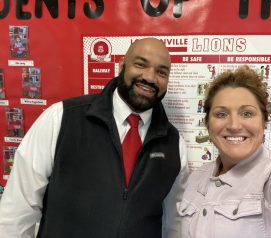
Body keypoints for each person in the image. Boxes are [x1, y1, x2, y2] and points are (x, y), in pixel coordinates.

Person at [0, 38, 189, 238]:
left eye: (162, 72)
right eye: (141, 64)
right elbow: (17, 212)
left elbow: (174, 223)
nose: (150, 77)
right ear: (122, 65)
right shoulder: (62, 119)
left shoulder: (174, 144)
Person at [178, 65, 271, 238]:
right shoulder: (197, 177)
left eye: (247, 114)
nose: (234, 125)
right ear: (207, 124)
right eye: (221, 114)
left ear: (264, 121)